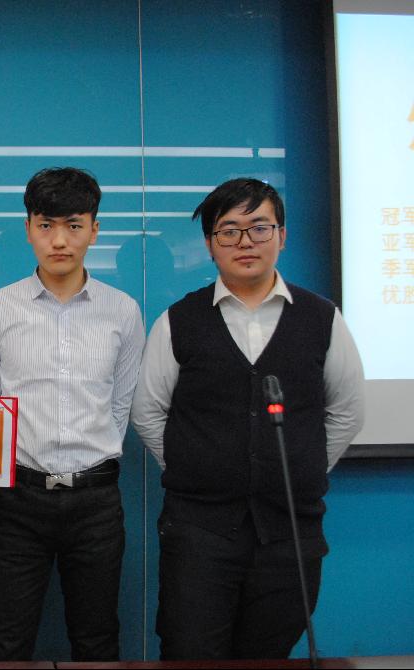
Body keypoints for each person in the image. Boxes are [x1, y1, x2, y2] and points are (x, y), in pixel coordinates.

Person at [130, 177, 365, 660]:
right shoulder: (178, 321)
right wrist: (192, 468)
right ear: (210, 244)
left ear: (282, 235)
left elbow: (347, 411)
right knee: (190, 651)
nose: (245, 242)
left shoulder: (322, 318)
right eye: (229, 231)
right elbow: (147, 412)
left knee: (268, 655)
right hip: (199, 533)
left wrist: (300, 467)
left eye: (259, 228)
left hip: (290, 532)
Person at [0, 167, 144, 661]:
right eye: (46, 225)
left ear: (94, 230)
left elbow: (121, 405)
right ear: (28, 229)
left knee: (97, 639)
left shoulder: (123, 311)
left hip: (96, 501)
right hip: (18, 499)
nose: (60, 240)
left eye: (73, 225)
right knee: (5, 640)